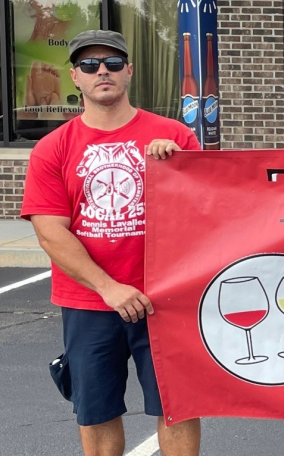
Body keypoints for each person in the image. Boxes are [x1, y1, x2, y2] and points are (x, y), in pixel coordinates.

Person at [21, 30, 203, 456]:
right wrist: (109, 288)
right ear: (75, 78)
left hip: (167, 298)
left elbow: (208, 210)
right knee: (96, 412)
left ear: (129, 72)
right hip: (89, 304)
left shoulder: (174, 136)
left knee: (177, 406)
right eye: (89, 64)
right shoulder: (52, 149)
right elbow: (50, 230)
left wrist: (182, 167)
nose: (101, 70)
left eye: (113, 62)